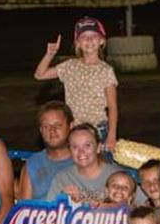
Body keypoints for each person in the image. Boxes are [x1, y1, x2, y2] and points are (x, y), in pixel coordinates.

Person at [33, 16, 119, 152]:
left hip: (98, 130)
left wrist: (111, 135)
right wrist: (50, 54)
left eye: (93, 36)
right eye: (84, 36)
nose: (89, 40)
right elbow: (40, 75)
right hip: (74, 129)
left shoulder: (106, 70)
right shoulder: (70, 66)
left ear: (102, 41)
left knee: (100, 168)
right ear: (77, 43)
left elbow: (112, 107)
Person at [45, 123, 122, 205]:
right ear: (70, 151)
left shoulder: (117, 176)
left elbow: (135, 209)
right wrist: (62, 201)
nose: (81, 151)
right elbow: (48, 212)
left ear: (98, 148)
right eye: (75, 147)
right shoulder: (63, 179)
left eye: (87, 145)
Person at [17, 101, 75, 201]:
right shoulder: (32, 164)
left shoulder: (85, 159)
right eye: (46, 127)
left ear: (71, 126)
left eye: (58, 125)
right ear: (40, 130)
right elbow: (24, 208)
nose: (52, 131)